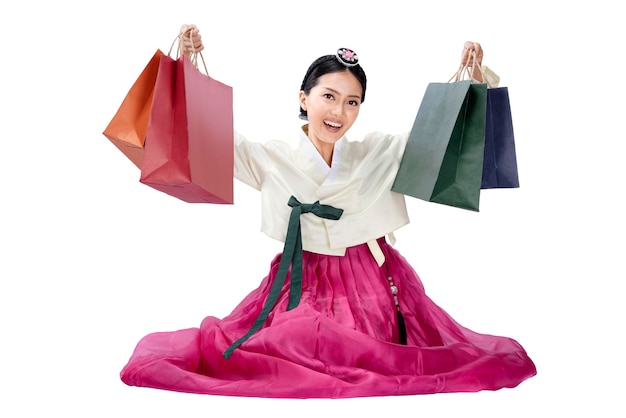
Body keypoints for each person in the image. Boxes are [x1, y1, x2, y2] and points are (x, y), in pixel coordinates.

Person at [120, 24, 536, 398]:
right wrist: (189, 65)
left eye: (352, 102)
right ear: (305, 98)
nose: (339, 112)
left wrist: (473, 78)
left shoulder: (377, 153)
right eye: (329, 97)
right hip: (299, 277)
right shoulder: (271, 158)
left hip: (369, 281)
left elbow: (439, 137)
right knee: (284, 345)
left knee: (362, 352)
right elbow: (209, 137)